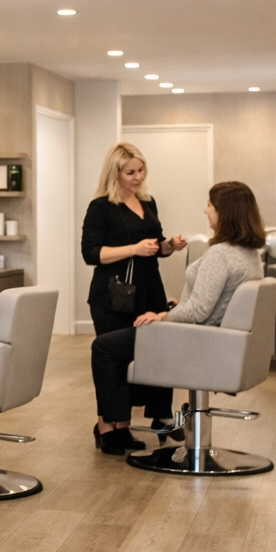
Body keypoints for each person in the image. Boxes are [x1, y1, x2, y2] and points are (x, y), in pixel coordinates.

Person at [90, 181, 267, 455]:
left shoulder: (221, 254)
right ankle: (132, 424)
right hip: (215, 338)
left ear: (225, 212)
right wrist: (176, 306)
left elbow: (197, 312)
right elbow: (214, 305)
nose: (205, 210)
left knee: (103, 347)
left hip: (194, 339)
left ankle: (111, 426)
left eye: (210, 205)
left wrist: (162, 315)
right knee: (120, 342)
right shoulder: (250, 254)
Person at [81, 143, 187, 452]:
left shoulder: (148, 202)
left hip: (149, 291)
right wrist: (133, 249)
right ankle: (107, 426)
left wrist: (168, 245)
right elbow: (92, 254)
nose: (138, 177)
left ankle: (126, 425)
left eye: (141, 171)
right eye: (130, 172)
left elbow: (154, 246)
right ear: (115, 173)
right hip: (113, 295)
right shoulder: (101, 207)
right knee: (113, 360)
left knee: (147, 355)